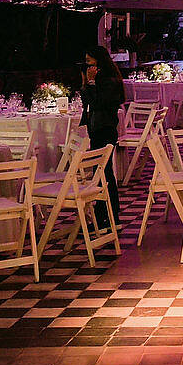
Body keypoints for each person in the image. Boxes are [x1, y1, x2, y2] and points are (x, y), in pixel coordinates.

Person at [80, 46, 126, 228]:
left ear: (99, 62)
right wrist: (87, 83)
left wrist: (91, 83)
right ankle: (104, 216)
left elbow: (97, 103)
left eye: (89, 61)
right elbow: (87, 102)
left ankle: (110, 216)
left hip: (104, 128)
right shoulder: (102, 79)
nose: (87, 65)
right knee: (100, 172)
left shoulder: (109, 80)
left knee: (104, 173)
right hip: (97, 128)